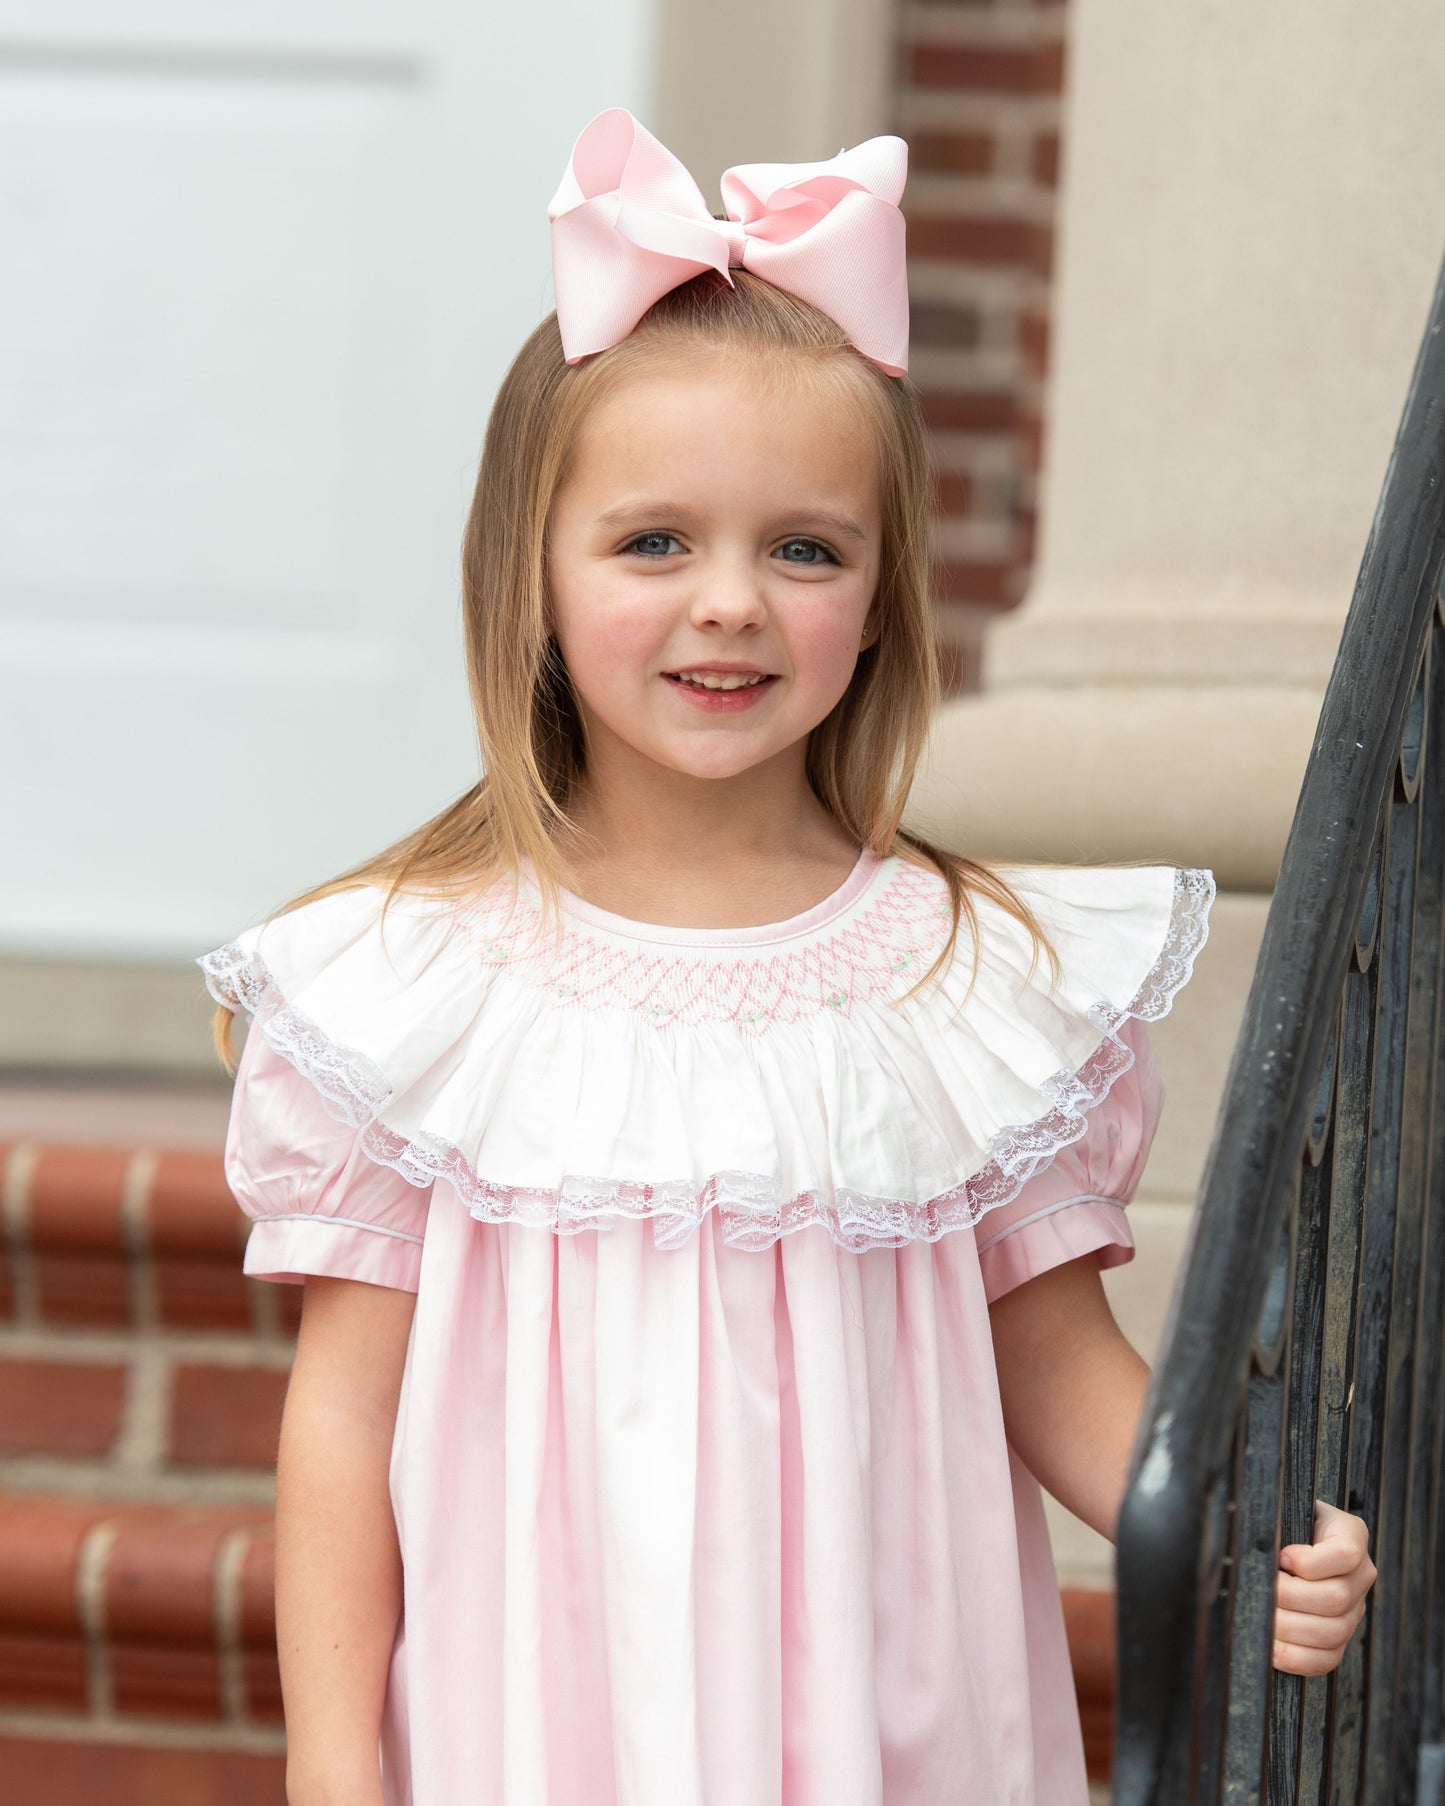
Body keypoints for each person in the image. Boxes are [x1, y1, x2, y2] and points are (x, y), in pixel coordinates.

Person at [197, 108, 1376, 1806]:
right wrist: (330, 1764)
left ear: (886, 595)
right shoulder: (414, 988)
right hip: (539, 1716)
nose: (731, 601)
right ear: (530, 574)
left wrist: (1247, 1528)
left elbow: (1057, 1371)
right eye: (653, 540)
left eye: (803, 547)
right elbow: (339, 1429)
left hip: (885, 1722)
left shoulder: (961, 980)